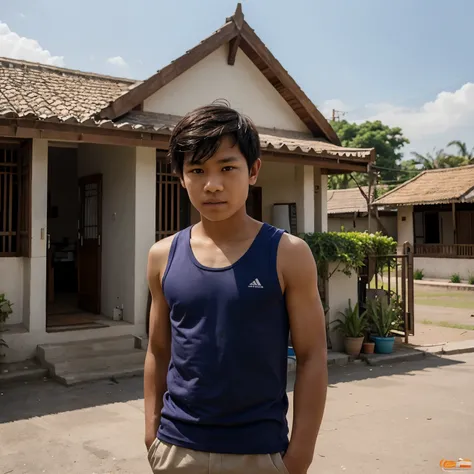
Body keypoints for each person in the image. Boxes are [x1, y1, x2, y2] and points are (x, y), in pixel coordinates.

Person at [144, 102, 328, 474]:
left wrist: (300, 456)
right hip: (177, 449)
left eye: (227, 167)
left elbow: (312, 357)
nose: (212, 184)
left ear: (253, 170)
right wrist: (152, 433)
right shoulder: (162, 256)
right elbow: (158, 350)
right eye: (197, 170)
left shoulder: (288, 254)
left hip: (260, 452)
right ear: (181, 176)